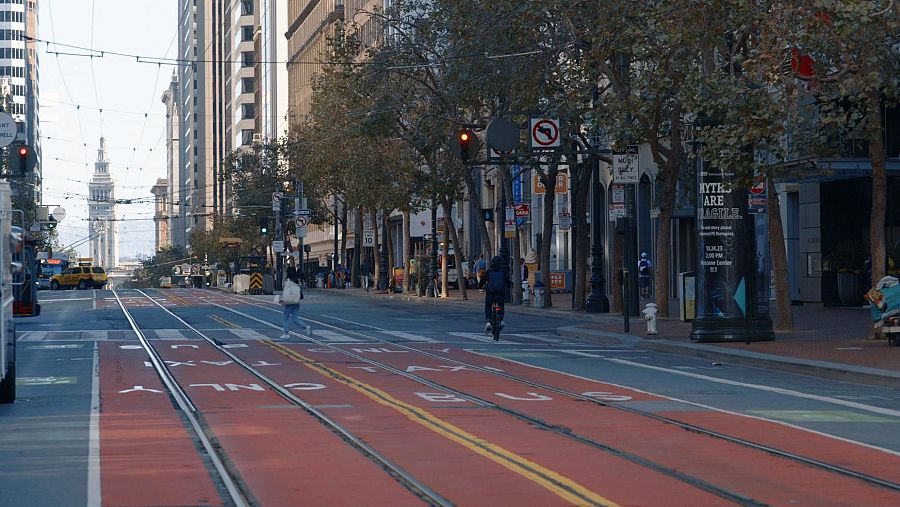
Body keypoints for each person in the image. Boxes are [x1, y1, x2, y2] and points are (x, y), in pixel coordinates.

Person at [280, 267, 311, 338]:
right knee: (295, 318)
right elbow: (300, 289)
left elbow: (285, 292)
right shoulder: (297, 281)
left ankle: (286, 333)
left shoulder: (287, 281)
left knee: (285, 317)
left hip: (289, 302)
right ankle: (306, 327)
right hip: (296, 301)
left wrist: (282, 300)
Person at [483, 256, 510, 334]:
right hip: (500, 294)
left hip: (490, 294)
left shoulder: (488, 272)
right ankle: (501, 320)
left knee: (488, 306)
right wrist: (509, 286)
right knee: (501, 306)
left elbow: (483, 281)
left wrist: (480, 286)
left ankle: (488, 321)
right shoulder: (503, 272)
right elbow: (507, 282)